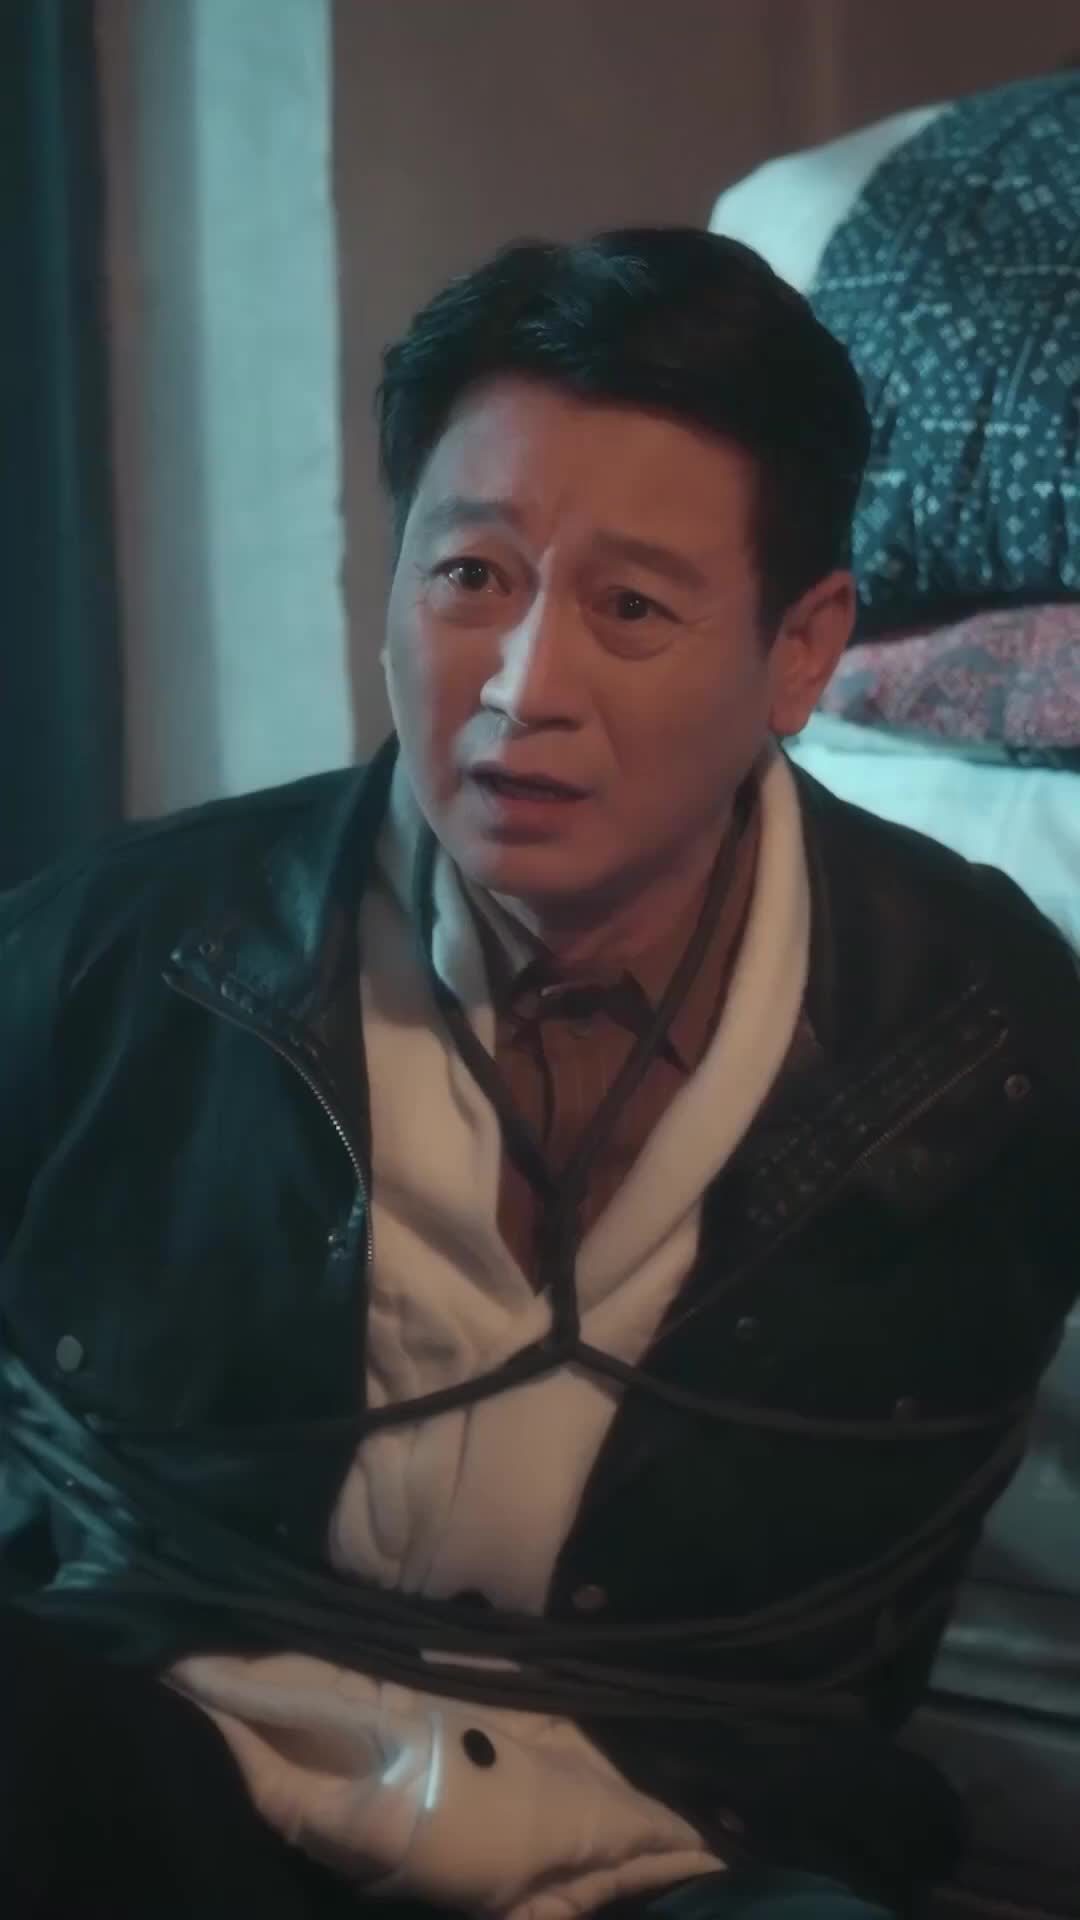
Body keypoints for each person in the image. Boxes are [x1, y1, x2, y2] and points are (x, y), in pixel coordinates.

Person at [1, 228, 1077, 1920]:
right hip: (178, 1777)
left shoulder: (985, 1026)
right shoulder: (127, 949)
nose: (521, 688)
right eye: (470, 578)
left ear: (803, 650)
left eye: (629, 608)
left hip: (692, 1844)